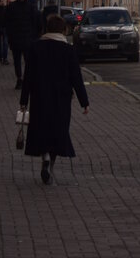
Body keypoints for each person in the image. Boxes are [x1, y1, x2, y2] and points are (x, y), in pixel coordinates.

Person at [21, 14, 89, 185]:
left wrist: (23, 100)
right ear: (63, 30)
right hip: (61, 99)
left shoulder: (35, 47)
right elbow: (76, 78)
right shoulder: (68, 50)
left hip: (39, 97)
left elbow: (28, 76)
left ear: (47, 29)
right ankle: (51, 165)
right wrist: (84, 102)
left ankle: (43, 156)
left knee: (41, 128)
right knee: (58, 131)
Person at [5, 0, 42, 90]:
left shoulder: (31, 7)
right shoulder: (12, 7)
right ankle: (19, 79)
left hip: (28, 40)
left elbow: (36, 23)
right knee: (17, 61)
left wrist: (34, 37)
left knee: (28, 62)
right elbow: (8, 23)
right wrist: (10, 37)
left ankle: (27, 80)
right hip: (16, 40)